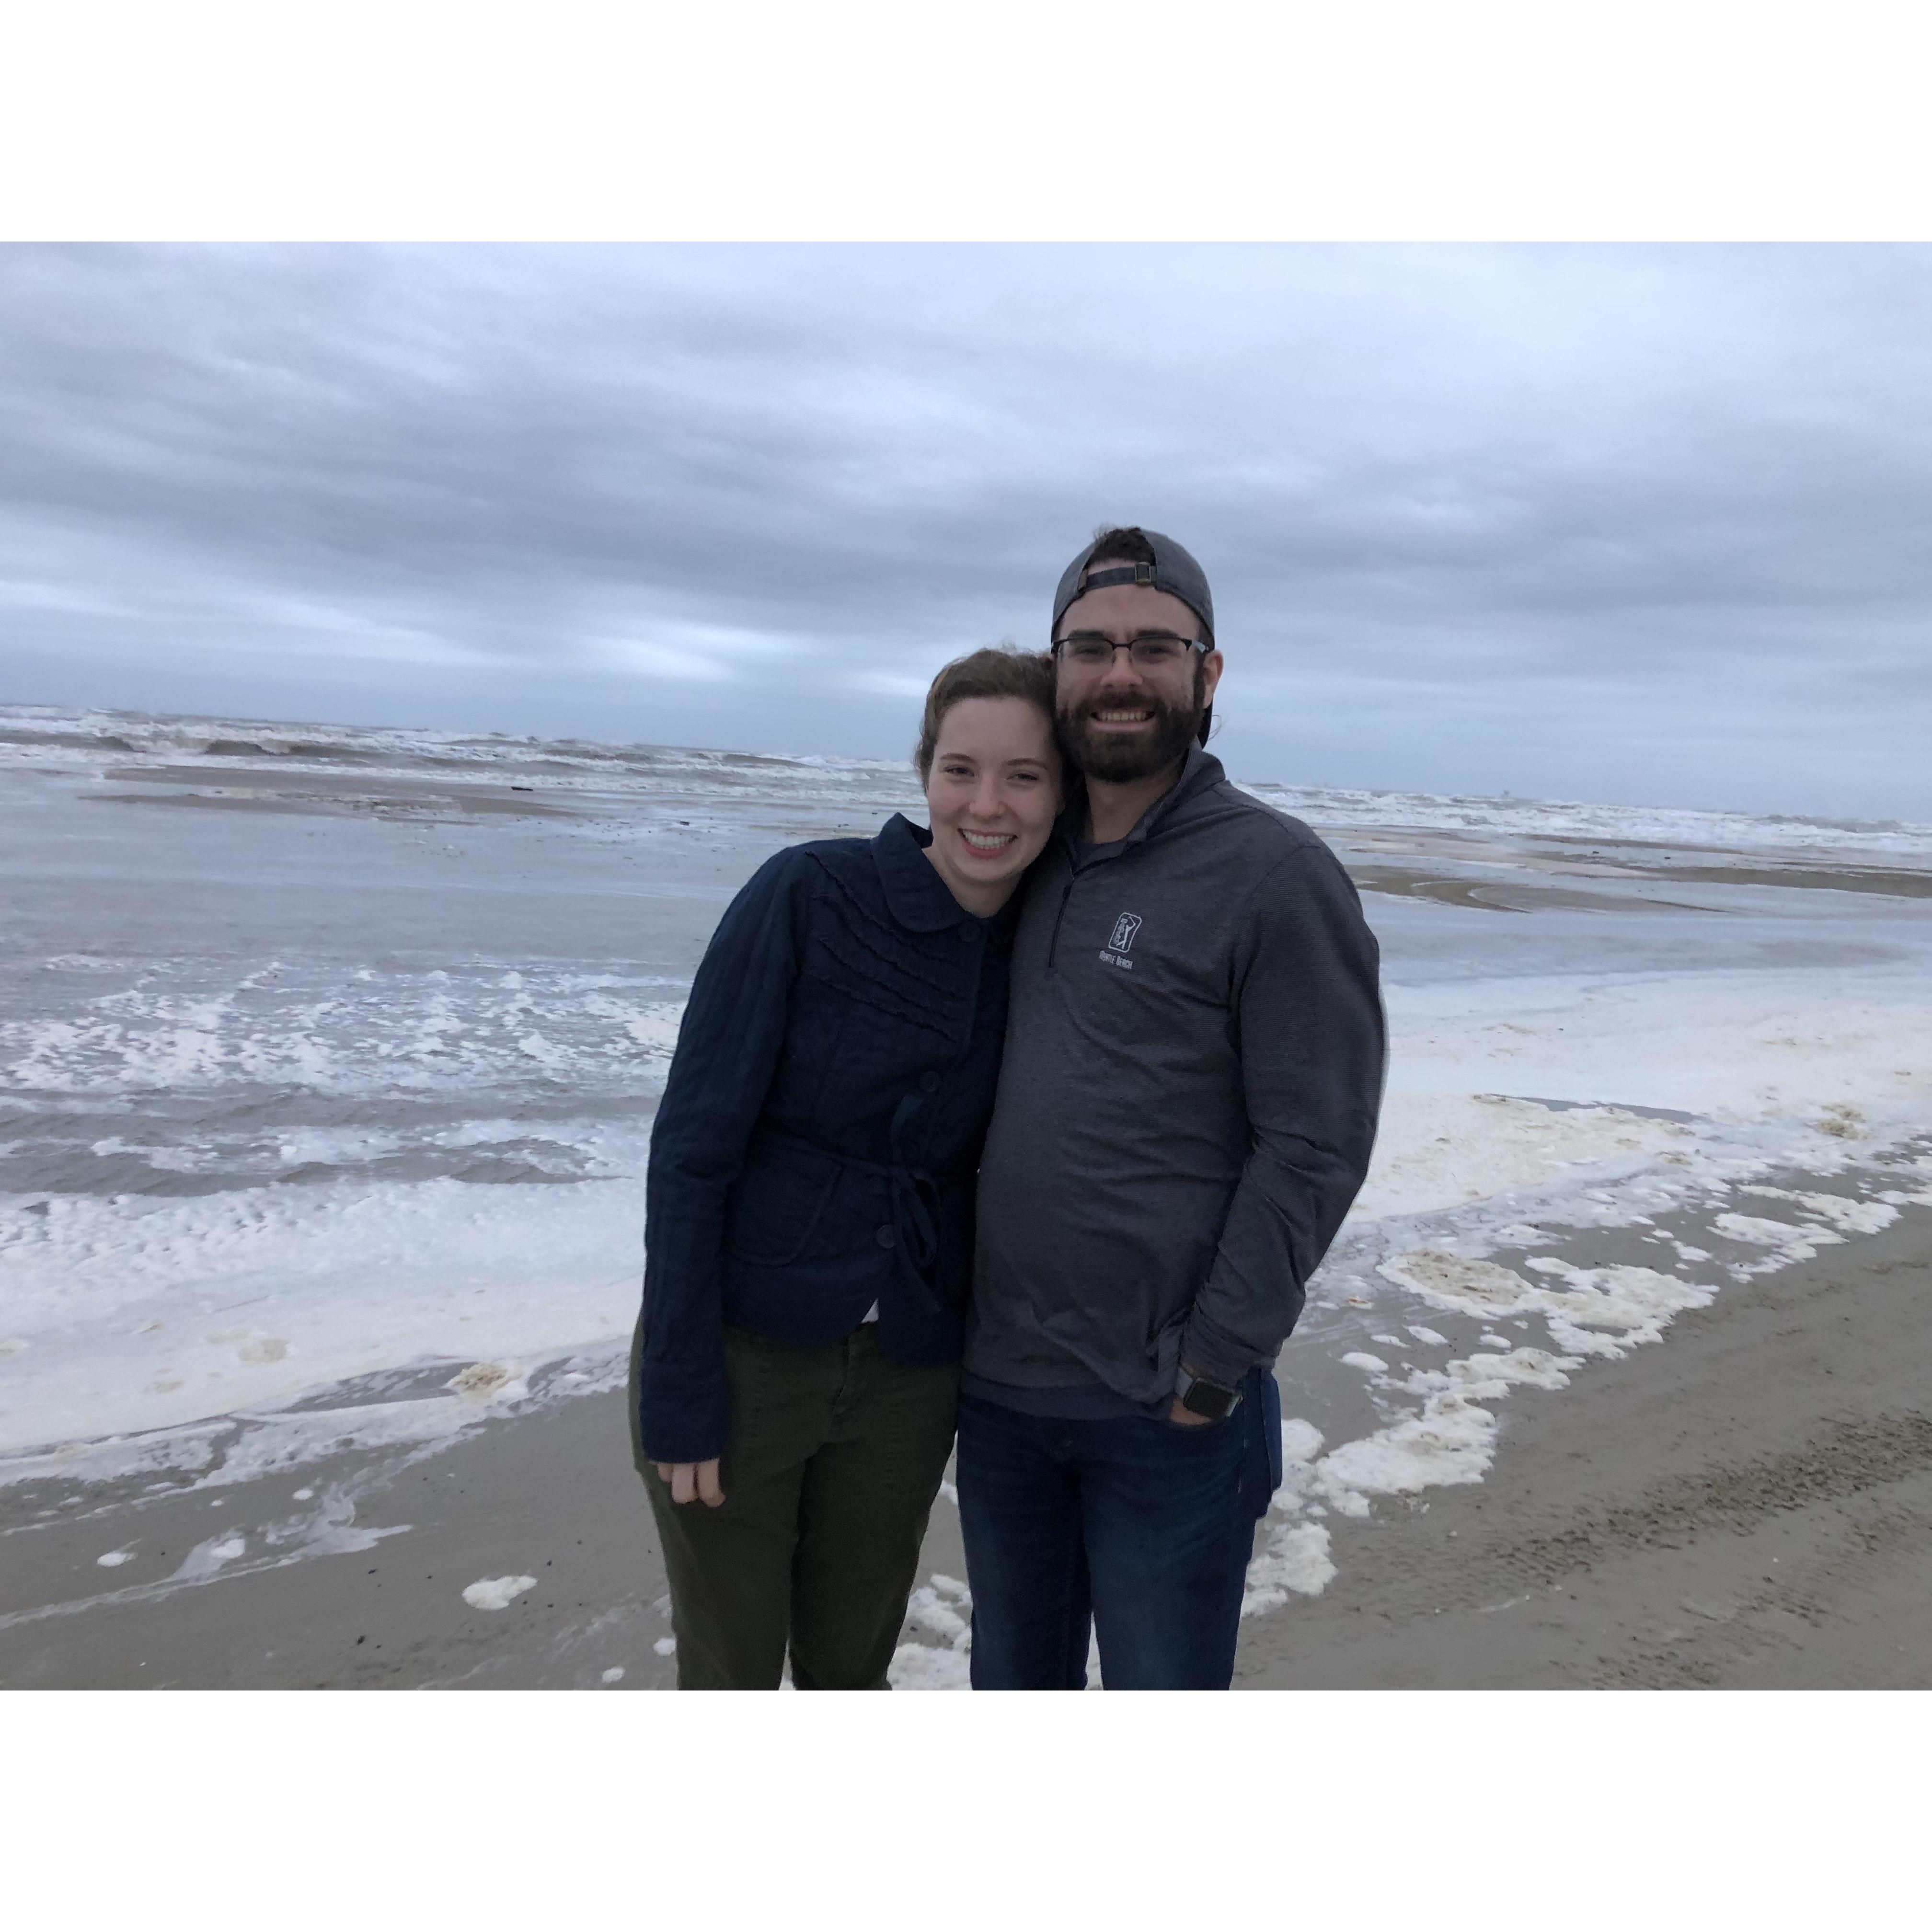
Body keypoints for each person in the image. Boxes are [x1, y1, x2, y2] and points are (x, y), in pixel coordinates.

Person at [955, 526, 1386, 1690]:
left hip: (1165, 1412)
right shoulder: (1019, 853)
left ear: (1209, 672)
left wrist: (1211, 1367)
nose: (1120, 675)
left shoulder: (1276, 876)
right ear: (1056, 669)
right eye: (1090, 647)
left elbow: (1318, 1140)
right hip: (997, 1398)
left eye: (1155, 646)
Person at [630, 646, 1062, 1689]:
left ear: (1063, 793)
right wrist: (681, 1393)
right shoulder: (809, 893)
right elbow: (692, 1149)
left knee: (851, 1668)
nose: (986, 805)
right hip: (743, 1358)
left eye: (1025, 775)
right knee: (729, 1670)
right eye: (961, 769)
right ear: (924, 774)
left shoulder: (1054, 942)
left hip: (909, 1378)